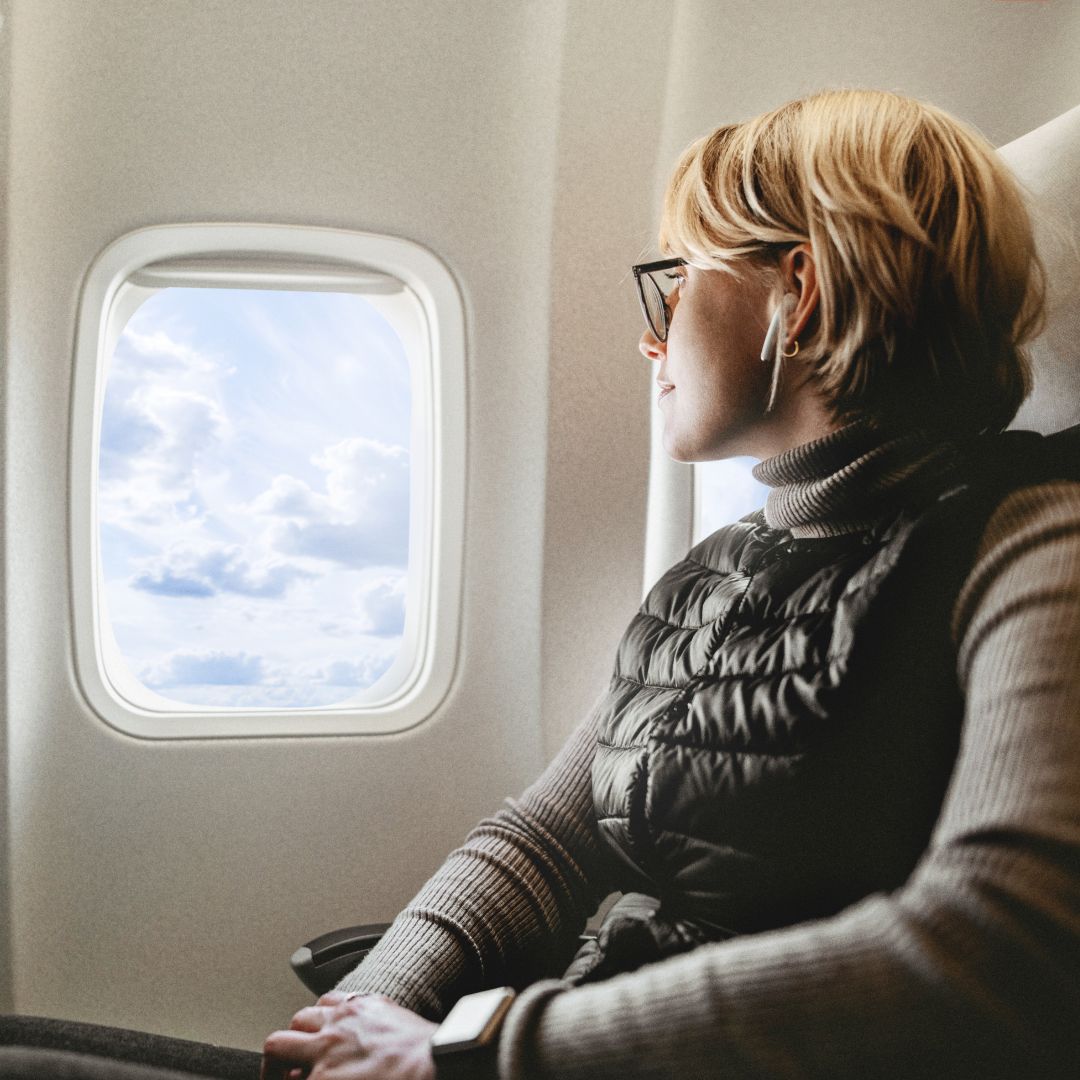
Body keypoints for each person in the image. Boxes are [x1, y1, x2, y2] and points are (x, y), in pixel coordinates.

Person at [2, 87, 1077, 1080]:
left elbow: (1006, 941)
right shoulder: (709, 579)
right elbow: (541, 844)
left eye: (675, 281)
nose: (647, 337)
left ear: (797, 289)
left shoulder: (1030, 538)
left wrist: (469, 1049)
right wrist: (360, 1023)